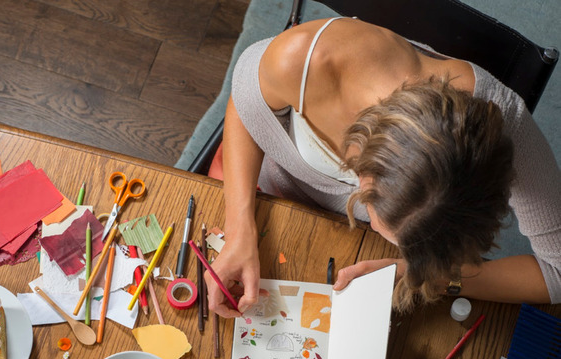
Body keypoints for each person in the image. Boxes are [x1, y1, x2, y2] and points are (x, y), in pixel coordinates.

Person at [206, 17, 561, 318]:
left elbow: (557, 271)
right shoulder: (301, 62)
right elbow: (244, 102)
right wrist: (240, 228)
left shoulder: (505, 129)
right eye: (378, 214)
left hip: (357, 251)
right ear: (365, 168)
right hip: (265, 197)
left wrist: (426, 274)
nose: (371, 217)